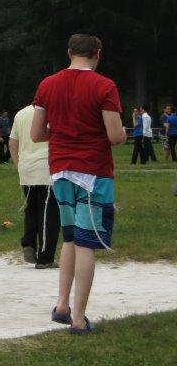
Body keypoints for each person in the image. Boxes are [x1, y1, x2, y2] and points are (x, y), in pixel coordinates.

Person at [30, 33, 126, 334]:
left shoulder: (47, 84)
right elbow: (113, 136)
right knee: (87, 243)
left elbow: (36, 133)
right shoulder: (104, 86)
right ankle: (79, 318)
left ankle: (61, 305)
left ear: (69, 52)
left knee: (70, 238)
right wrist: (122, 135)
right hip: (93, 171)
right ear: (97, 53)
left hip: (60, 169)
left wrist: (62, 135)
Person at [10, 102, 59, 268]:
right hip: (47, 167)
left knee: (31, 209)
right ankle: (45, 257)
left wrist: (19, 164)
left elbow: (12, 142)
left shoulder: (20, 114)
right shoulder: (52, 113)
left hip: (26, 167)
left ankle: (29, 243)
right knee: (49, 213)